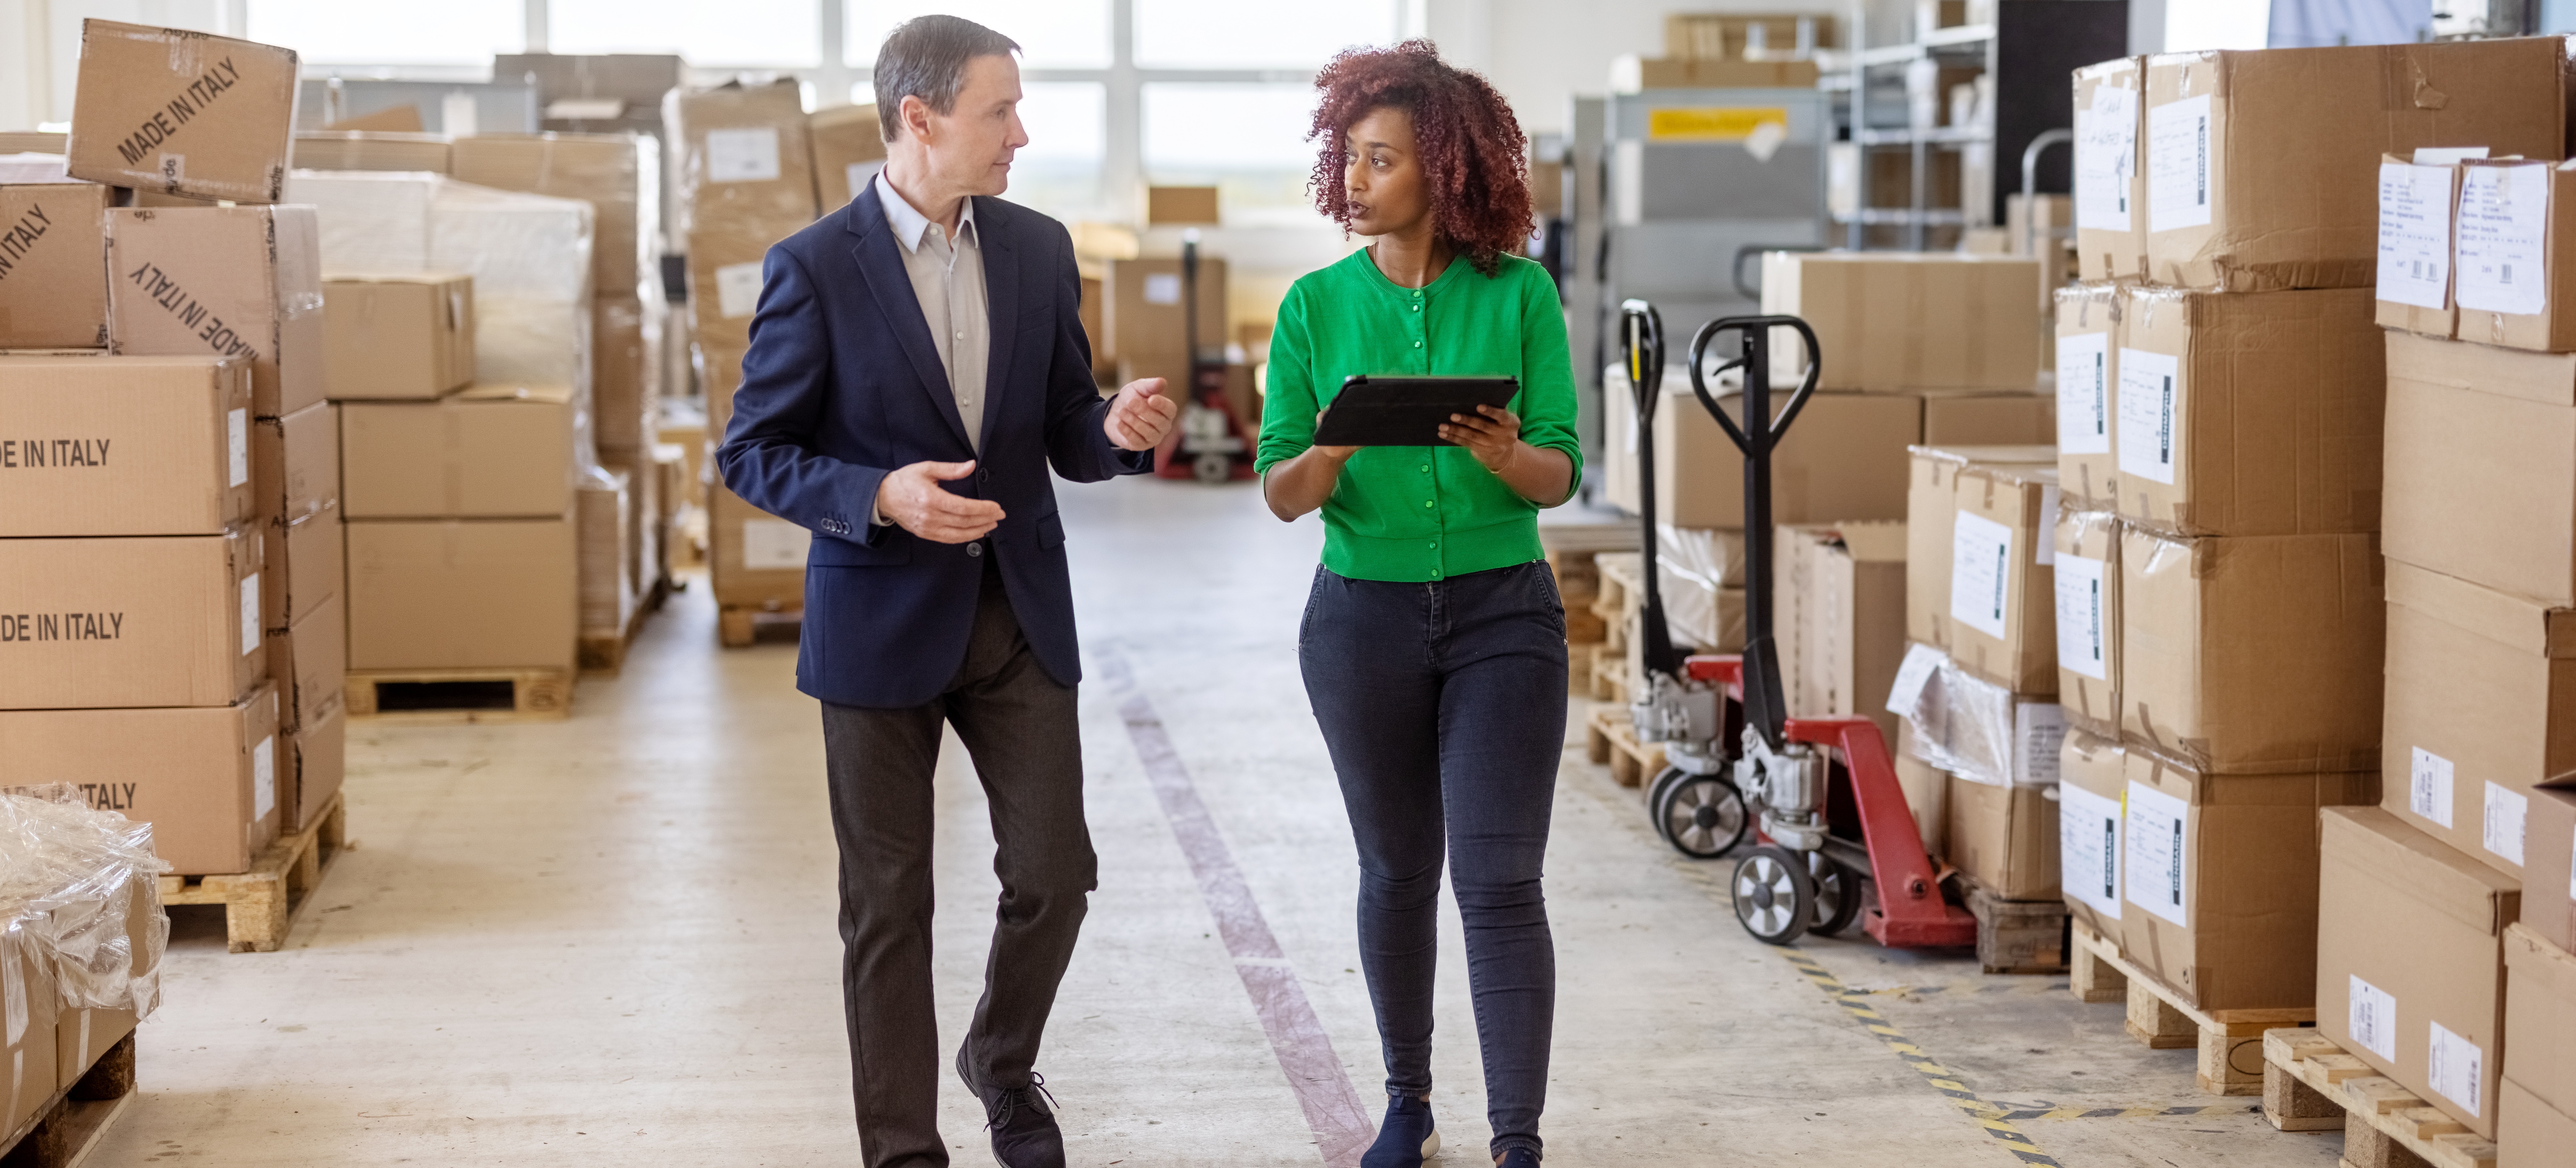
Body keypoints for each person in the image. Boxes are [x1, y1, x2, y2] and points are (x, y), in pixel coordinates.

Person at [714, 16, 1180, 1168]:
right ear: (919, 120)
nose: (1022, 132)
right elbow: (753, 450)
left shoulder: (1036, 248)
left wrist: (1114, 431)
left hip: (1017, 613)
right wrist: (880, 495)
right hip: (878, 625)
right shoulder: (815, 268)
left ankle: (1001, 1060)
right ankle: (905, 1152)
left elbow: (1068, 423)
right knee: (888, 908)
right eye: (1000, 111)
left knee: (1055, 874)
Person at [1254, 40, 1578, 1168]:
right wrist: (1336, 444)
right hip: (1362, 623)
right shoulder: (1311, 309)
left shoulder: (1521, 294)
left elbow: (1561, 474)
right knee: (1396, 870)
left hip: (1505, 618)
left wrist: (1506, 452)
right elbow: (1282, 492)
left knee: (1500, 881)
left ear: (1441, 172)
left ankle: (1518, 1138)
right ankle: (1408, 1102)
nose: (1354, 178)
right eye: (1348, 157)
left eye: (1380, 159)